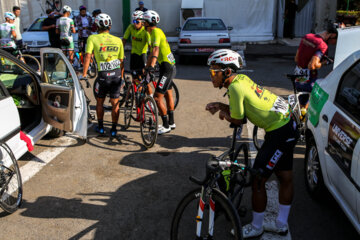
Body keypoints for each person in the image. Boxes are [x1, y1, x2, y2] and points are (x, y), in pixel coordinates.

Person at [205, 49, 299, 238]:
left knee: (258, 180)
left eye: (215, 71)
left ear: (227, 72)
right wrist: (221, 105)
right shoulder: (241, 80)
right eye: (211, 71)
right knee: (284, 175)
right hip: (288, 122)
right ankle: (280, 224)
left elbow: (238, 119)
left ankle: (257, 227)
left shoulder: (234, 87)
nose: (211, 75)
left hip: (279, 132)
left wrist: (224, 113)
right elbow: (245, 107)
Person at [82, 13, 124, 137]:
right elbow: (121, 61)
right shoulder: (118, 40)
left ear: (97, 26)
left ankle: (100, 128)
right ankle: (114, 129)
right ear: (109, 26)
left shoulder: (92, 38)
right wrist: (121, 77)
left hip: (103, 77)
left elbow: (88, 56)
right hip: (116, 75)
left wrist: (84, 74)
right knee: (115, 103)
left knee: (100, 102)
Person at [143, 10, 176, 134]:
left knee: (157, 98)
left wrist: (151, 66)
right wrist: (147, 66)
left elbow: (156, 49)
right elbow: (152, 52)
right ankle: (171, 123)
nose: (142, 24)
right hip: (168, 66)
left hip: (167, 68)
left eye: (143, 21)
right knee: (168, 94)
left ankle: (166, 125)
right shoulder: (156, 32)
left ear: (147, 22)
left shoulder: (155, 32)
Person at [294, 21, 340, 109]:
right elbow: (312, 66)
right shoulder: (322, 45)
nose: (334, 43)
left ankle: (298, 119)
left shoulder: (307, 36)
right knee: (326, 97)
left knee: (302, 105)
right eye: (336, 40)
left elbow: (296, 58)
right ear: (332, 35)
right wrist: (325, 62)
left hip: (297, 76)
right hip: (309, 79)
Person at [122, 11, 150, 93]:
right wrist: (120, 51)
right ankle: (137, 94)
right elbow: (124, 40)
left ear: (142, 22)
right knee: (134, 76)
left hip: (142, 55)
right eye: (134, 21)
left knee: (144, 79)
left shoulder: (145, 31)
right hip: (133, 55)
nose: (135, 24)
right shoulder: (131, 27)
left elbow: (150, 45)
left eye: (137, 22)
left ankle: (148, 96)